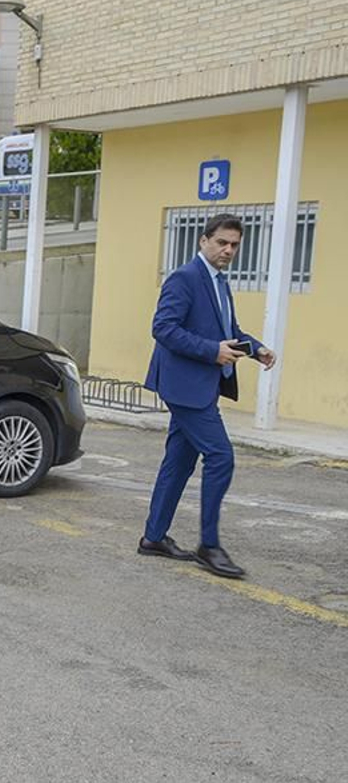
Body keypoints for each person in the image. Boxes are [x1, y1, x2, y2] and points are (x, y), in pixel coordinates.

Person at [140, 215, 275, 580]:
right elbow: (163, 328)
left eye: (234, 245)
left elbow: (228, 330)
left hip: (200, 385)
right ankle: (209, 546)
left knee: (179, 462)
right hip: (185, 386)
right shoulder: (184, 278)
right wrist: (212, 351)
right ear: (203, 241)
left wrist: (256, 349)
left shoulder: (219, 281)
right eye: (222, 243)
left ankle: (154, 537)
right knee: (220, 457)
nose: (228, 250)